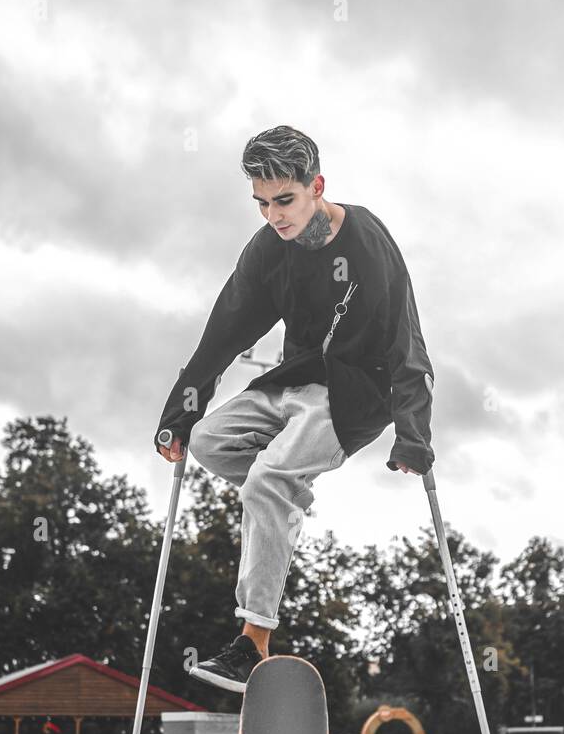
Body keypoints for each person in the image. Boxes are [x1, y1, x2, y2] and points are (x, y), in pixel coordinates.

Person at [155, 125, 436, 693]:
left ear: (316, 186)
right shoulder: (267, 251)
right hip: (292, 382)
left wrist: (414, 431)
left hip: (355, 393)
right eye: (261, 203)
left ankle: (251, 644)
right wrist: (180, 411)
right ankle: (283, 504)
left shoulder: (367, 241)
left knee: (264, 481)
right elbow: (223, 331)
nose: (274, 216)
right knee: (212, 441)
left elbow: (407, 340)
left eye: (284, 200)